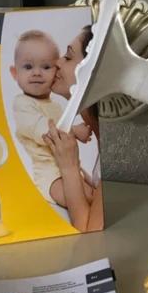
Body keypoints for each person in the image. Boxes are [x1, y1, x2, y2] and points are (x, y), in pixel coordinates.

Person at [10, 29, 92, 209]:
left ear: (56, 70)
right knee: (88, 197)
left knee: (95, 189)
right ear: (14, 73)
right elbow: (44, 132)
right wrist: (75, 130)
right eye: (28, 67)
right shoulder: (22, 104)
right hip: (50, 177)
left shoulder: (55, 105)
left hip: (69, 169)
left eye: (46, 67)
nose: (37, 73)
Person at [43, 25, 104, 232]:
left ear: (93, 73)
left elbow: (92, 236)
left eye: (68, 57)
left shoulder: (118, 151)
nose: (57, 63)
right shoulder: (104, 142)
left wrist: (69, 167)